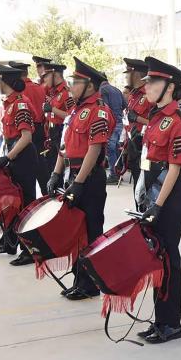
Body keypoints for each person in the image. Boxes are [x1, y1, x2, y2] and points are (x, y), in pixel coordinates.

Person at [134, 56, 181, 343]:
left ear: (169, 87)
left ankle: (171, 323)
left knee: (168, 257)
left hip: (167, 199)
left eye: (153, 82)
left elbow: (175, 167)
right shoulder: (155, 117)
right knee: (156, 257)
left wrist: (158, 205)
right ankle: (160, 319)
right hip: (152, 195)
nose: (147, 87)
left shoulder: (177, 122)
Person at [48, 57, 112, 300]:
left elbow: (94, 151)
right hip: (72, 174)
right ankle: (79, 279)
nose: (71, 86)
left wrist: (79, 182)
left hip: (89, 177)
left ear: (90, 86)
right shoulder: (76, 111)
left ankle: (91, 283)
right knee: (76, 231)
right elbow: (64, 146)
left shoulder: (99, 112)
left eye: (76, 82)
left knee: (92, 230)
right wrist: (56, 172)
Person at [0, 64, 37, 266]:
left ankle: (28, 250)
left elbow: (26, 137)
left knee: (24, 203)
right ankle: (9, 242)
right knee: (11, 201)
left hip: (23, 156)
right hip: (14, 154)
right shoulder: (10, 103)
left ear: (6, 82)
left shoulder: (20, 104)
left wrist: (9, 157)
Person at [10, 61, 48, 195]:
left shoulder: (19, 92)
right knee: (42, 168)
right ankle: (47, 195)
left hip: (25, 131)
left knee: (25, 171)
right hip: (40, 129)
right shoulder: (39, 88)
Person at [122, 57, 151, 206]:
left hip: (146, 148)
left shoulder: (149, 94)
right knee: (137, 185)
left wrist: (138, 119)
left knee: (145, 184)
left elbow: (156, 123)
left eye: (128, 73)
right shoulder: (133, 95)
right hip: (133, 144)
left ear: (136, 75)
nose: (126, 76)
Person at [41, 63, 71, 177]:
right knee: (52, 166)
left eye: (46, 75)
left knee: (61, 169)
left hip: (61, 132)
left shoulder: (66, 92)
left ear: (55, 75)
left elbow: (71, 116)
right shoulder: (55, 93)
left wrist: (52, 109)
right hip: (53, 133)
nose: (44, 79)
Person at [100, 75, 126, 185]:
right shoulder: (117, 90)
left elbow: (104, 107)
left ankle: (114, 175)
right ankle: (117, 171)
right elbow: (125, 104)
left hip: (111, 122)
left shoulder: (102, 90)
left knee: (110, 147)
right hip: (119, 121)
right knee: (114, 147)